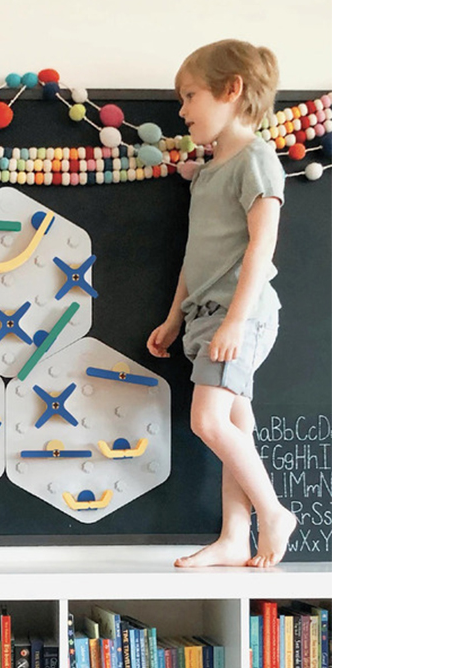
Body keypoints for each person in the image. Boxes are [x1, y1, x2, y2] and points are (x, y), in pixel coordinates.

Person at [146, 39, 297, 568]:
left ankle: (273, 512)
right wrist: (174, 316)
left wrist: (235, 321)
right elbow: (196, 255)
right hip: (206, 316)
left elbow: (262, 244)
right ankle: (235, 535)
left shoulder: (256, 159)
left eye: (190, 96)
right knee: (237, 426)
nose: (182, 111)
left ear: (231, 90)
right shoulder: (210, 173)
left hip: (238, 316)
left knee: (208, 421)